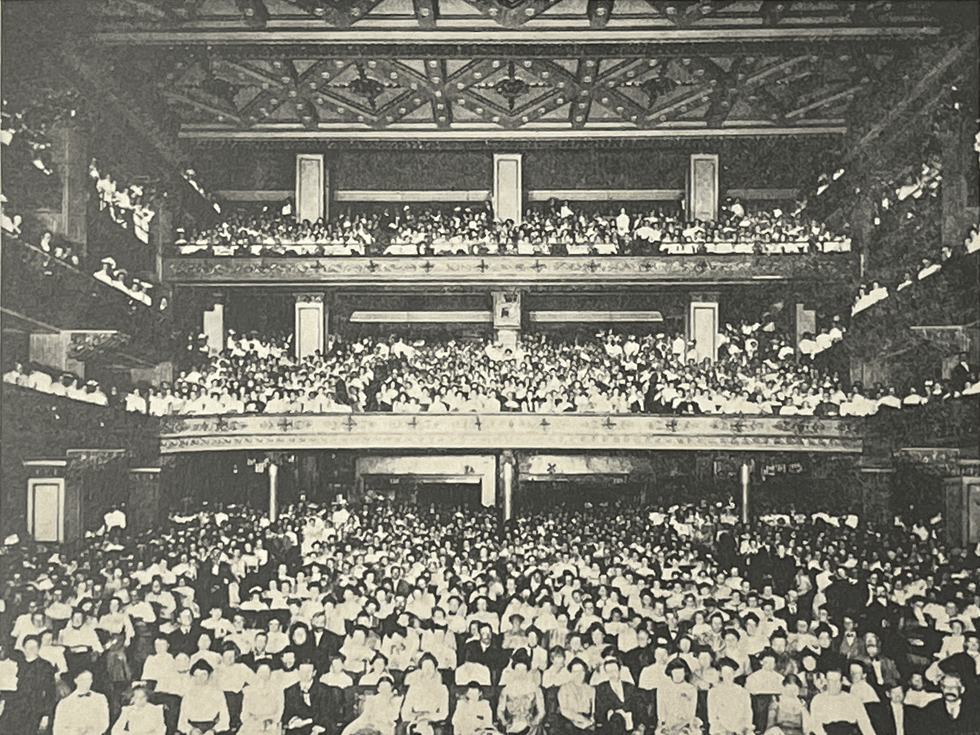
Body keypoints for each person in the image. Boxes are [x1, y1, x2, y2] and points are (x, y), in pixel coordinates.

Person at [0, 633, 56, 734]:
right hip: (13, 709)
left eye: (34, 647)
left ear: (39, 649)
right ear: (24, 647)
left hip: (33, 711)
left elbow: (50, 693)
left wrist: (46, 715)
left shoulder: (45, 666)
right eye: (28, 646)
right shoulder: (16, 663)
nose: (31, 649)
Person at [808, 667, 876, 735]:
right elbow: (816, 728)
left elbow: (866, 726)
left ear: (842, 681)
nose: (833, 684)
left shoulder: (853, 699)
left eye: (836, 681)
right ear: (826, 681)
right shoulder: (818, 700)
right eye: (831, 681)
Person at [497, 651, 546, 735]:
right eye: (517, 670)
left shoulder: (536, 689)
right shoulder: (506, 689)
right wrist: (504, 721)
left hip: (530, 725)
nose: (520, 673)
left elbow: (542, 711)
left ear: (527, 671)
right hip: (511, 725)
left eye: (523, 670)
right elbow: (500, 710)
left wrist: (535, 721)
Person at [177, 660, 231, 735]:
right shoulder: (188, 694)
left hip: (213, 729)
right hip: (193, 730)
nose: (200, 679)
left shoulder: (217, 693)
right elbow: (181, 723)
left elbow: (225, 720)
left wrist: (213, 730)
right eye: (197, 675)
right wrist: (191, 730)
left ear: (209, 675)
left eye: (203, 675)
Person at [400, 653, 448, 735]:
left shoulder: (442, 689)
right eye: (425, 667)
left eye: (431, 667)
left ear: (435, 668)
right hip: (415, 720)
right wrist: (417, 718)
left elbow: (444, 714)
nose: (428, 670)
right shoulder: (414, 687)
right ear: (421, 669)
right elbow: (404, 712)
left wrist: (426, 717)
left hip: (432, 722)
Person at [52, 669, 110, 735]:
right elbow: (58, 728)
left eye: (89, 679)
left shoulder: (100, 699)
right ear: (76, 680)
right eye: (83, 680)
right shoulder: (65, 703)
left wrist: (92, 731)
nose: (87, 683)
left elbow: (104, 721)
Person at [282, 661, 331, 735]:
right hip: (297, 729)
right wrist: (293, 719)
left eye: (308, 671)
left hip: (317, 727)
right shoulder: (290, 691)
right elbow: (286, 715)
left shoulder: (324, 690)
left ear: (314, 673)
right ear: (298, 672)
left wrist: (307, 722)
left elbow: (326, 714)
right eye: (302, 671)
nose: (305, 674)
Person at [706, 657, 753, 735]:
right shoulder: (713, 692)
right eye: (725, 673)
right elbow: (712, 716)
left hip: (739, 728)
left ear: (734, 674)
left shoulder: (742, 692)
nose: (728, 676)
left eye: (730, 673)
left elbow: (747, 713)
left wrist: (743, 728)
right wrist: (724, 730)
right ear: (721, 674)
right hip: (721, 730)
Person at [654, 658, 700, 735]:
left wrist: (688, 724)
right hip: (668, 723)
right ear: (671, 673)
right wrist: (663, 723)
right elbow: (661, 708)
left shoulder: (690, 689)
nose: (678, 676)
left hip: (684, 723)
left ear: (685, 673)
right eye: (675, 673)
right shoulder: (663, 688)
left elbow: (691, 711)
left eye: (680, 674)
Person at [593, 658, 638, 735]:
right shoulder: (602, 688)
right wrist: (616, 711)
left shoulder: (630, 687)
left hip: (630, 722)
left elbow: (636, 707)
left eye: (614, 670)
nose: (612, 674)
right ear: (606, 673)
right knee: (616, 718)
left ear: (619, 670)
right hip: (612, 724)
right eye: (609, 672)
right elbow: (600, 709)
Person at [238, 662, 284, 735]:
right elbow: (244, 714)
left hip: (270, 726)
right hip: (252, 725)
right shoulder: (249, 691)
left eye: (266, 674)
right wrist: (253, 722)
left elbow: (279, 714)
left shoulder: (277, 691)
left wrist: (268, 721)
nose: (263, 678)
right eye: (260, 674)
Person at [557, 658, 595, 735]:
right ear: (571, 673)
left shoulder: (591, 689)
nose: (578, 674)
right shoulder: (564, 688)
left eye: (581, 671)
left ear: (585, 672)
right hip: (569, 720)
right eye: (575, 672)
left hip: (587, 722)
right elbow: (564, 710)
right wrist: (579, 719)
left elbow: (593, 710)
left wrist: (591, 720)